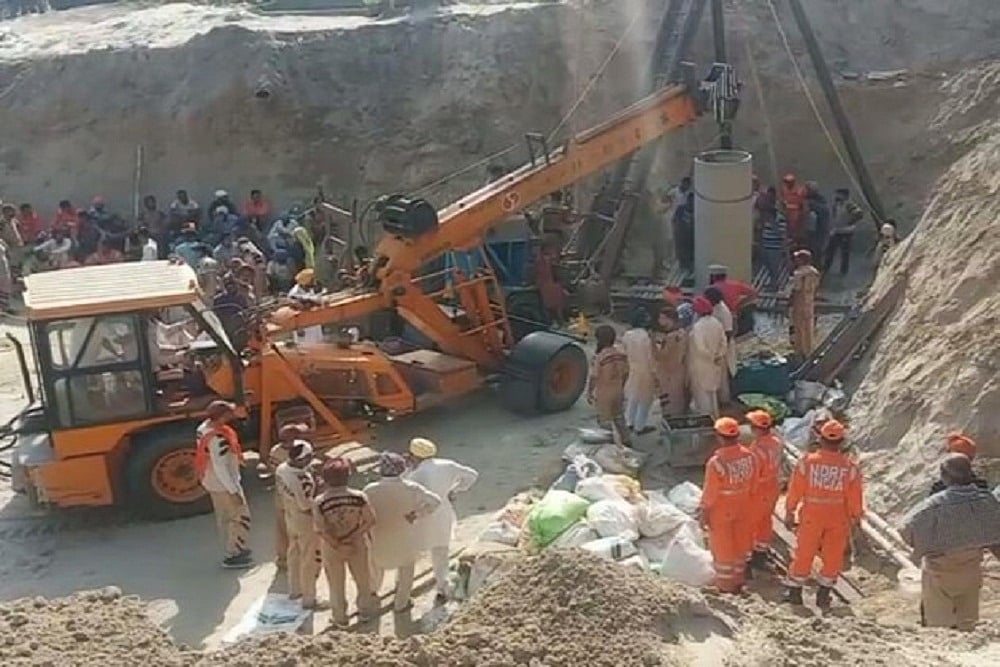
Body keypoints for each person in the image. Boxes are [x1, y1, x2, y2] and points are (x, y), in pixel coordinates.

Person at [900, 453, 1000, 631]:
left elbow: (906, 529)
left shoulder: (934, 505)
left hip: (940, 570)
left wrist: (927, 543)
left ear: (945, 477)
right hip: (971, 569)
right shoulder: (987, 500)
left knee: (939, 628)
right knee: (968, 624)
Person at [784, 419, 862, 608]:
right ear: (842, 442)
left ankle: (795, 592)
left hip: (811, 516)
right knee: (833, 555)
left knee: (804, 552)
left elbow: (795, 490)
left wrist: (789, 511)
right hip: (838, 518)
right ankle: (823, 595)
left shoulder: (807, 462)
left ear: (821, 439)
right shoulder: (850, 468)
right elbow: (855, 498)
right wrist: (856, 517)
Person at [363, 453, 442, 613]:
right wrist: (417, 514)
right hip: (405, 537)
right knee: (406, 570)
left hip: (379, 537)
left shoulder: (370, 490)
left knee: (376, 568)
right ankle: (401, 603)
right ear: (401, 469)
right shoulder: (411, 488)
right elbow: (435, 501)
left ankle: (372, 593)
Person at [403, 437, 479, 601]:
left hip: (421, 517)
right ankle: (442, 587)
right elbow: (472, 475)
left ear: (414, 455)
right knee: (440, 553)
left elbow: (404, 490)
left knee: (411, 554)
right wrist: (455, 490)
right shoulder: (448, 465)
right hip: (443, 513)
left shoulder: (416, 474)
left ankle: (403, 592)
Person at [313, 457, 378, 627]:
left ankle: (340, 617)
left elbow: (320, 529)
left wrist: (337, 544)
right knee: (363, 580)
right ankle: (365, 612)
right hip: (357, 544)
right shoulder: (359, 497)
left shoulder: (319, 501)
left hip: (332, 547)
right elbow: (370, 520)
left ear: (325, 479)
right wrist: (353, 537)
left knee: (336, 584)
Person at [700, 417, 757, 593]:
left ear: (719, 437)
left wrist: (704, 512)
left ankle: (725, 586)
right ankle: (739, 580)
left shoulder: (716, 463)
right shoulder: (749, 456)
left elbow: (710, 492)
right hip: (744, 506)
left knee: (723, 548)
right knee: (740, 544)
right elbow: (754, 484)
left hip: (722, 510)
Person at [195, 400, 253, 569]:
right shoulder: (218, 438)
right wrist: (234, 490)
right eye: (228, 414)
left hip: (212, 481)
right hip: (224, 483)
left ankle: (232, 548)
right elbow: (221, 466)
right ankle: (233, 553)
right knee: (240, 517)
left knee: (225, 518)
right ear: (220, 417)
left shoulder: (203, 429)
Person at [276, 440, 322, 608]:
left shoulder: (281, 469)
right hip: (304, 519)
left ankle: (294, 590)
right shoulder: (301, 478)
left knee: (293, 553)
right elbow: (305, 504)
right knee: (308, 559)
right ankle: (309, 598)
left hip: (290, 515)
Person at [266, 422, 310, 568]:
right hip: (295, 496)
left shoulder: (274, 451)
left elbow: (272, 470)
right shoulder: (300, 453)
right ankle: (301, 559)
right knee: (299, 530)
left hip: (280, 494)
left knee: (282, 528)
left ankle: (283, 559)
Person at [746, 410, 784, 568]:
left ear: (757, 428)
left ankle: (749, 558)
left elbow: (753, 474)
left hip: (759, 489)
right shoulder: (776, 442)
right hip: (773, 487)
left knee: (751, 523)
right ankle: (761, 551)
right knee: (765, 520)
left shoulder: (756, 450)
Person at [588, 324, 631, 447]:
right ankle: (627, 442)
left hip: (604, 393)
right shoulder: (621, 354)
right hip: (618, 391)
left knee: (605, 422)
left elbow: (594, 377)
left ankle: (611, 447)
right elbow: (626, 373)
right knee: (619, 419)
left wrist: (590, 392)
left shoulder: (599, 357)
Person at [687, 296, 726, 416]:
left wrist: (710, 357)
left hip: (700, 364)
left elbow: (700, 347)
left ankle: (705, 419)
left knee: (701, 394)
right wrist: (718, 355)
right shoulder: (717, 323)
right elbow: (723, 343)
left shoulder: (698, 326)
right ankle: (715, 416)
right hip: (715, 364)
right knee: (712, 393)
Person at [621, 308, 657, 435]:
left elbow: (624, 353)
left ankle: (628, 422)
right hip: (646, 370)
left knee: (632, 397)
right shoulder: (646, 337)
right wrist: (655, 373)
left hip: (632, 368)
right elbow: (650, 357)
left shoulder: (627, 335)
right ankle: (639, 426)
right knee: (645, 400)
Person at [651, 308, 688, 420]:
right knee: (679, 402)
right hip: (680, 370)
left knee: (669, 406)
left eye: (662, 318)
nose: (659, 321)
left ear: (669, 319)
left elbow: (661, 356)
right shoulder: (683, 332)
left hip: (668, 374)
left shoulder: (671, 337)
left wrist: (652, 344)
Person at [704, 286, 735, 405]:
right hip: (715, 345)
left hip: (722, 346)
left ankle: (724, 400)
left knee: (722, 374)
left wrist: (721, 350)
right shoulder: (714, 308)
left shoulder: (723, 311)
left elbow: (728, 332)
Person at [789, 249, 820, 358]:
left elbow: (796, 289)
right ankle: (809, 350)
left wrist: (790, 300)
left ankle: (800, 350)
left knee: (799, 327)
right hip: (809, 301)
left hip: (799, 302)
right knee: (809, 326)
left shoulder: (798, 273)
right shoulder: (814, 272)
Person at [825, 188, 864, 276]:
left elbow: (859, 214)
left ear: (844, 195)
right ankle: (826, 268)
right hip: (837, 230)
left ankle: (843, 271)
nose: (836, 196)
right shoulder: (836, 204)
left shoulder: (849, 204)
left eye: (839, 194)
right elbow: (834, 216)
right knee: (830, 250)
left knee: (845, 252)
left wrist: (849, 222)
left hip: (846, 232)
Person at [758, 194, 788, 291]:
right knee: (768, 266)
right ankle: (771, 282)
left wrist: (773, 224)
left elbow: (782, 235)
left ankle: (775, 285)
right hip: (766, 246)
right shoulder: (766, 220)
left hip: (774, 248)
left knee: (774, 267)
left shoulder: (780, 220)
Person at [213, 276, 251, 351]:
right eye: (228, 284)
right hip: (225, 326)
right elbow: (216, 313)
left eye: (233, 284)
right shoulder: (218, 299)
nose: (231, 287)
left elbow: (246, 311)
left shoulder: (241, 298)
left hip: (239, 326)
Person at [288, 269, 325, 344]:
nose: (314, 282)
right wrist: (299, 328)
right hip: (304, 326)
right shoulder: (294, 293)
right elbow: (296, 312)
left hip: (313, 322)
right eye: (312, 280)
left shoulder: (309, 290)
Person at [803, 182, 830, 262]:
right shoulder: (806, 199)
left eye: (807, 189)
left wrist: (811, 204)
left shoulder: (820, 202)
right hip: (809, 229)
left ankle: (817, 265)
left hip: (818, 229)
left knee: (817, 250)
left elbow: (824, 212)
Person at [780, 173, 807, 247]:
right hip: (785, 213)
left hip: (796, 214)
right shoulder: (784, 189)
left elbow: (803, 205)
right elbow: (782, 200)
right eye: (786, 182)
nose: (787, 184)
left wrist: (802, 216)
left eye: (788, 182)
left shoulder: (800, 190)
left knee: (794, 231)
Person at [672, 191, 695, 272]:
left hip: (693, 237)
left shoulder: (697, 211)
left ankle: (690, 269)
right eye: (690, 200)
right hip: (681, 236)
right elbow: (674, 220)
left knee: (691, 254)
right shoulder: (681, 209)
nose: (692, 202)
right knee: (682, 254)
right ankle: (682, 268)